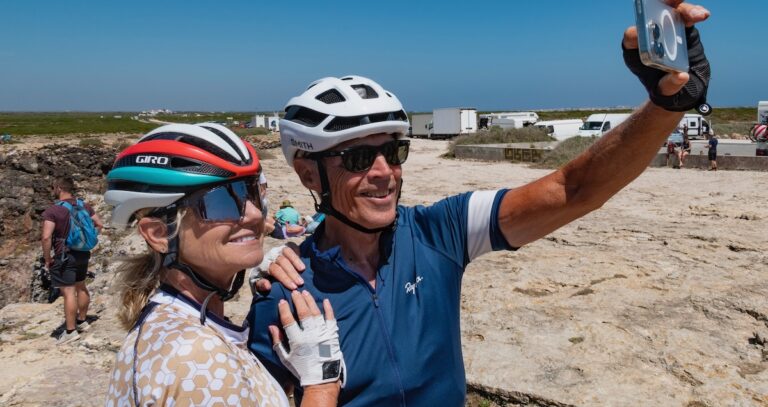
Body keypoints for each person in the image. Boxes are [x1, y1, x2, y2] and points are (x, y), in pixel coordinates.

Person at [248, 3, 711, 405]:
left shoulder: (438, 232)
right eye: (358, 157)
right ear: (310, 173)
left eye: (393, 152)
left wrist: (667, 105)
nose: (384, 172)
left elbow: (577, 188)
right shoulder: (285, 294)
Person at [102, 123, 343, 406]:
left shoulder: (169, 325)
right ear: (159, 234)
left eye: (251, 192)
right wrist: (321, 383)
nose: (254, 214)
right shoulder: (197, 355)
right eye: (219, 201)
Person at [41, 176, 103, 344]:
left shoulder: (53, 210)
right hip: (83, 253)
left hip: (64, 254)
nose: (52, 190)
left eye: (53, 187)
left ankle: (70, 332)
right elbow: (99, 224)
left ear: (59, 188)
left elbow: (46, 237)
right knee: (81, 286)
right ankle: (82, 321)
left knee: (68, 292)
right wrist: (88, 240)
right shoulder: (84, 205)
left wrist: (47, 259)